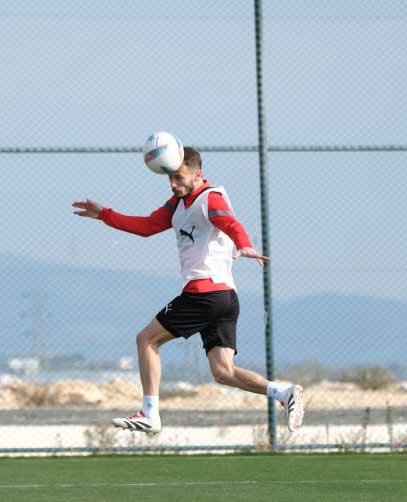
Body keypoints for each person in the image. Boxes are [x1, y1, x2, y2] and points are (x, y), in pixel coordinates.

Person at [72, 146, 304, 435]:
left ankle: (150, 413)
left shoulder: (211, 198)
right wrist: (104, 214)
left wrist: (243, 243)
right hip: (224, 298)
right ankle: (284, 393)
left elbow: (229, 222)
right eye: (169, 177)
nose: (173, 183)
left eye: (179, 177)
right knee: (223, 372)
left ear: (198, 174)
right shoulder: (175, 205)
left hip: (204, 293)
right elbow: (145, 226)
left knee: (146, 340)